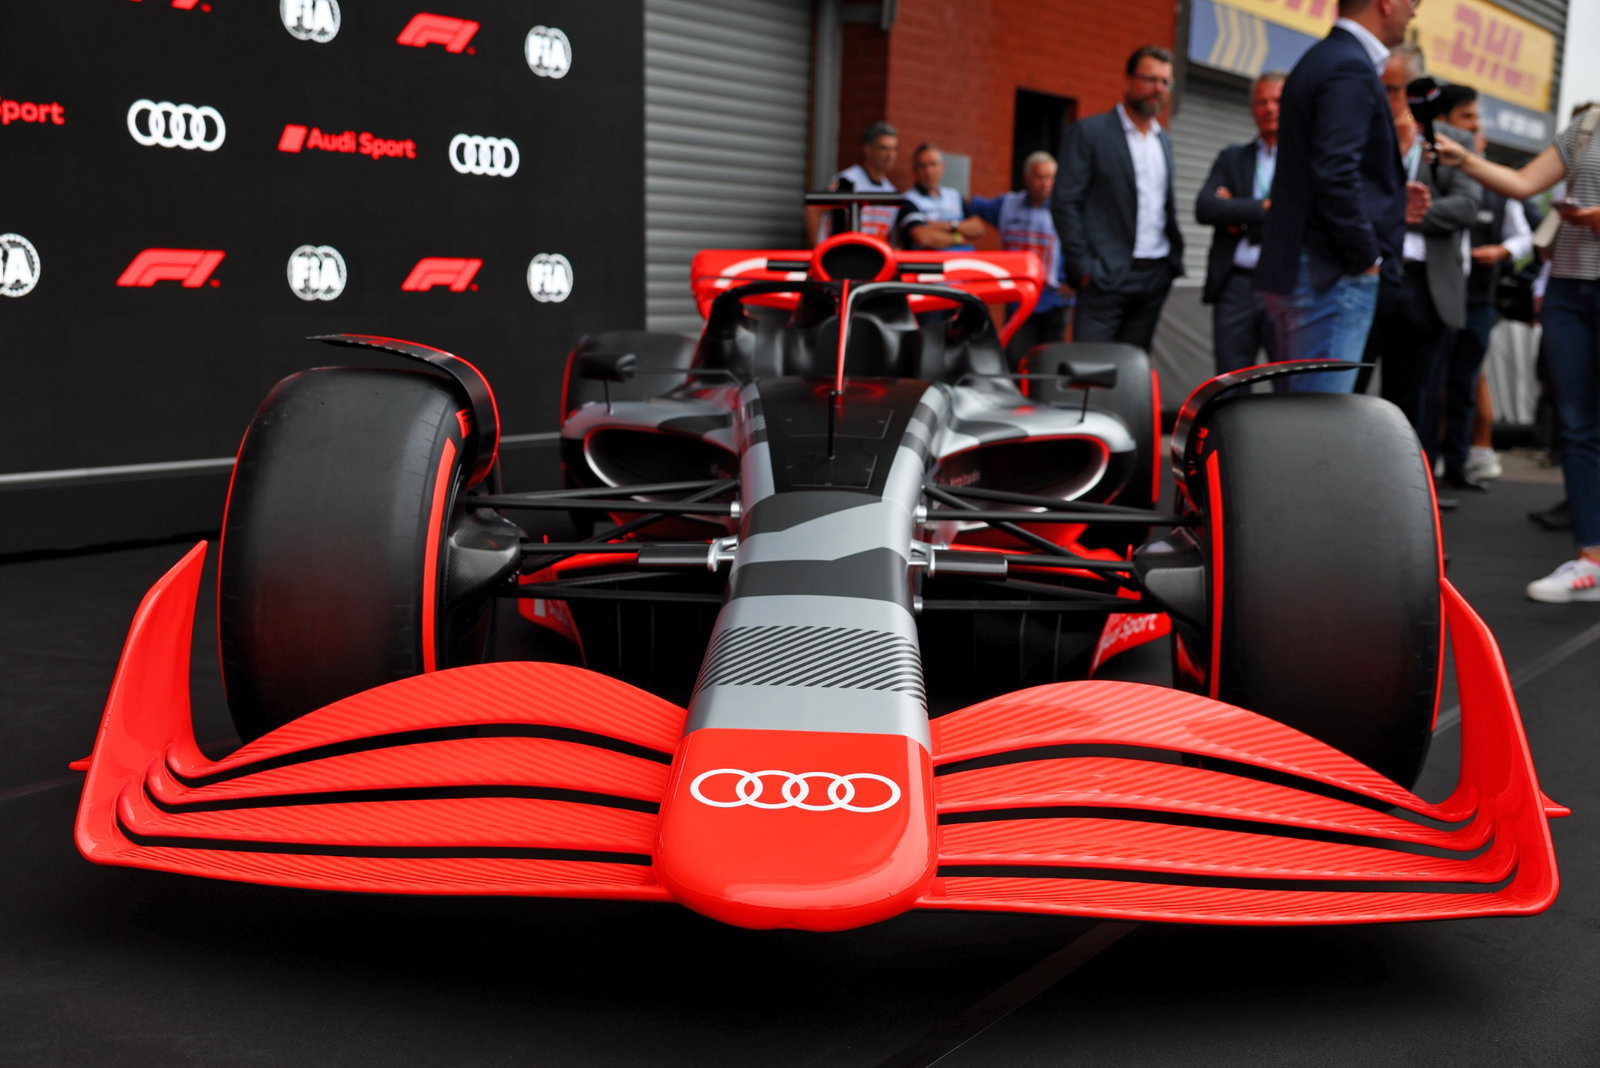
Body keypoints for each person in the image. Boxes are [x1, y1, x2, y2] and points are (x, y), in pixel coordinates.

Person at [1436, 102, 1600, 602]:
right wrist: (1462, 159)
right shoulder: (1589, 123)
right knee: (1577, 425)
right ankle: (1591, 560)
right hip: (1570, 288)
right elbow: (1525, 181)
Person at [1255, 0, 1427, 392]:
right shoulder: (1349, 66)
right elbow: (1334, 172)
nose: (1415, 10)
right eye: (1412, 1)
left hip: (1311, 269)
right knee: (1319, 431)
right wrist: (1366, 256)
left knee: (1302, 422)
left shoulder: (1325, 58)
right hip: (1330, 276)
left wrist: (1392, 198)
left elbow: (1326, 168)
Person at [1362, 45, 1479, 455]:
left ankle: (1408, 493)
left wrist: (1409, 212)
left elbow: (1468, 204)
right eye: (1381, 90)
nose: (1387, 99)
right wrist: (1396, 206)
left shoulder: (1454, 141)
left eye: (1395, 90)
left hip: (1424, 287)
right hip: (1369, 276)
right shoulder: (1364, 132)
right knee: (1350, 388)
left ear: (1416, 90)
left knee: (1411, 398)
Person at [1050, 44, 1185, 354]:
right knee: (1091, 372)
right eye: (1150, 79)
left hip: (1154, 274)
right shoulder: (1089, 132)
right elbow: (1065, 202)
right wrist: (1084, 267)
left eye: (1166, 82)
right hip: (1104, 276)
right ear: (1128, 80)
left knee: (1133, 372)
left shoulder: (1163, 141)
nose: (1158, 89)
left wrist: (1169, 265)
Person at [1434, 83, 1534, 489]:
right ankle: (1425, 459)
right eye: (1466, 117)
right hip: (1435, 295)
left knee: (1466, 381)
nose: (1475, 127)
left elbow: (1525, 236)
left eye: (1477, 119)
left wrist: (1503, 252)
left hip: (1477, 299)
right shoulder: (1430, 175)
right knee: (1429, 381)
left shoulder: (1497, 186)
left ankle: (1461, 462)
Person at [1195, 71, 1284, 375]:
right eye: (1262, 101)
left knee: (1290, 387)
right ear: (1252, 108)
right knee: (1230, 384)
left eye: (1277, 100)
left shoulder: (1305, 159)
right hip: (1236, 286)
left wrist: (1236, 212)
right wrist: (1264, 208)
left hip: (1286, 285)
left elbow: (1299, 214)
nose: (1270, 108)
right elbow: (1206, 207)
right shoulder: (1233, 158)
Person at [969, 151, 1073, 367]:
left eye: (1050, 177)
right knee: (1015, 358)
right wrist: (953, 229)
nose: (1045, 183)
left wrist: (1075, 281)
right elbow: (970, 206)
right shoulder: (1007, 206)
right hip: (1019, 299)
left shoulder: (1067, 209)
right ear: (1027, 178)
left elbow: (1086, 243)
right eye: (1039, 177)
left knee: (1050, 361)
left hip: (1054, 298)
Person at [810, 121, 900, 245]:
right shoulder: (847, 180)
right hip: (843, 256)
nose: (890, 154)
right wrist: (817, 251)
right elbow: (813, 210)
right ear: (867, 149)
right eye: (884, 148)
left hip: (875, 259)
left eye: (894, 149)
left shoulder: (891, 191)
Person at [893, 144, 984, 251]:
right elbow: (923, 237)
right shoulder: (908, 199)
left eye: (933, 164)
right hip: (931, 265)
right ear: (915, 170)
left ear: (942, 167)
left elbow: (979, 228)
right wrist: (957, 238)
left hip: (964, 263)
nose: (928, 171)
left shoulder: (953, 195)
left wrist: (946, 225)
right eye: (922, 166)